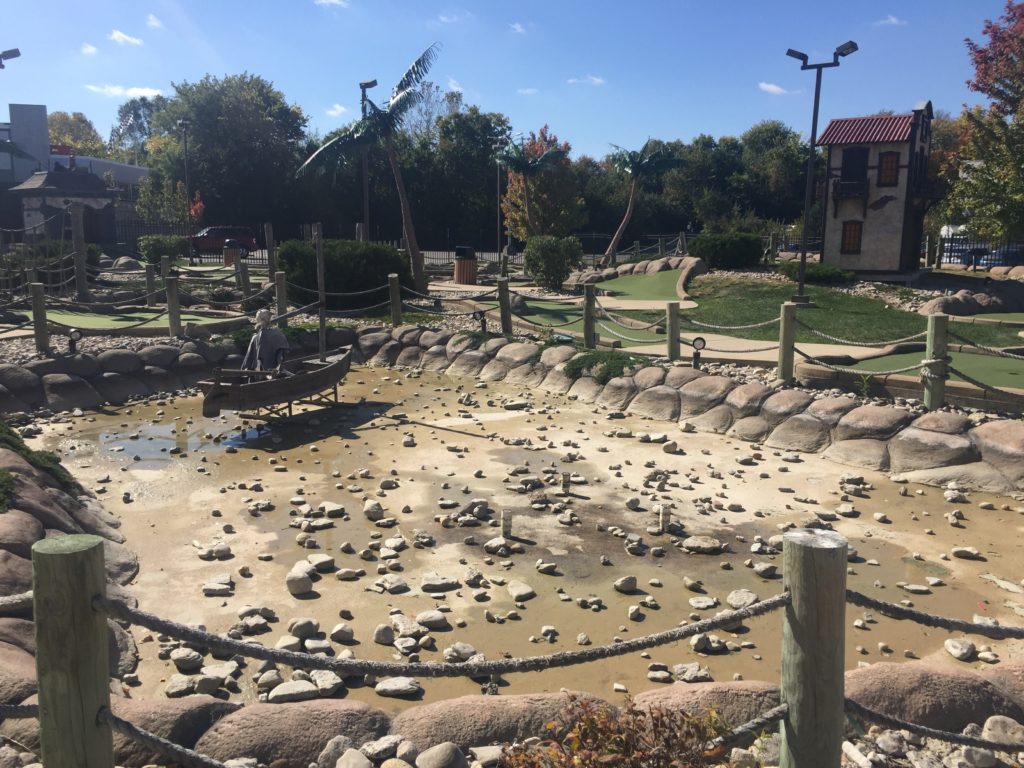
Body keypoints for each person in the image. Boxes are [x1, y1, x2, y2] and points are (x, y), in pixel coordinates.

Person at [241, 309, 289, 376]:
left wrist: (243, 373)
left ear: (258, 320)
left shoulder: (255, 338)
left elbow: (248, 360)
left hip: (260, 375)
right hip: (277, 373)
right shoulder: (279, 335)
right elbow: (282, 357)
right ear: (269, 319)